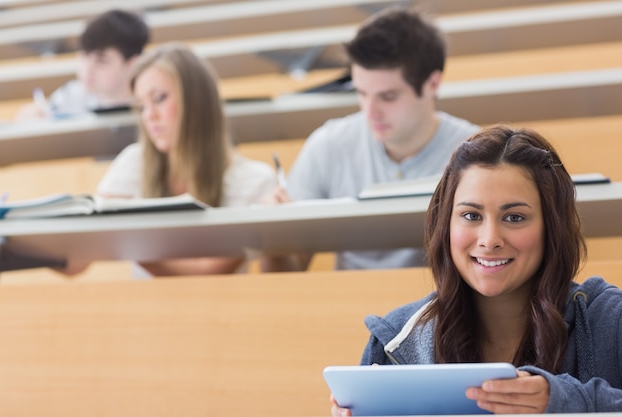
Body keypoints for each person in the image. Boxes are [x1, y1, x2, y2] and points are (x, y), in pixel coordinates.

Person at [331, 125, 622, 415]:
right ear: (445, 223)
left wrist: (564, 402)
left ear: (552, 228)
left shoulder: (608, 319)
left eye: (515, 217)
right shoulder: (396, 339)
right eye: (471, 215)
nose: (490, 239)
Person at [262, 7, 479, 272]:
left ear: (432, 84)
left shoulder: (476, 155)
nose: (370, 112)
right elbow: (289, 273)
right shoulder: (328, 144)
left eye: (388, 97)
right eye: (362, 93)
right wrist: (271, 236)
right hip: (348, 303)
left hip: (442, 306)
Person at [96, 43, 277, 276]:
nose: (149, 116)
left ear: (197, 101)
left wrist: (129, 241)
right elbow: (78, 256)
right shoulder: (133, 162)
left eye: (159, 98)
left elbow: (205, 273)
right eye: (142, 106)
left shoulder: (255, 181)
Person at [16, 9, 150, 120]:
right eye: (85, 56)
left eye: (101, 61)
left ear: (133, 64)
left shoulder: (148, 105)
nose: (88, 69)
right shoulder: (70, 96)